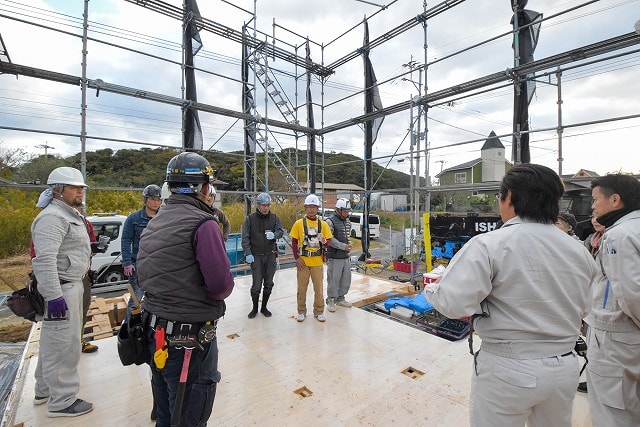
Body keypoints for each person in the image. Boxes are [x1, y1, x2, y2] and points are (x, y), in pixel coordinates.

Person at [424, 164, 598, 427]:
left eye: (500, 196)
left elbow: (451, 303)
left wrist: (432, 288)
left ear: (510, 198)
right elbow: (588, 306)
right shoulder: (578, 250)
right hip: (564, 366)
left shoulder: (490, 244)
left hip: (509, 368)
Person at [137, 152, 234, 427]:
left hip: (156, 334)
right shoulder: (203, 223)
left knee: (167, 412)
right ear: (203, 188)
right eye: (210, 185)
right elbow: (220, 286)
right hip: (190, 340)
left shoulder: (156, 221)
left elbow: (145, 275)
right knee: (189, 415)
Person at [31, 167, 94, 418]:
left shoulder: (68, 214)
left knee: (51, 342)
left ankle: (44, 390)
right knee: (64, 344)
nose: (80, 192)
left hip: (69, 284)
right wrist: (53, 295)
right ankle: (62, 400)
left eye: (81, 188)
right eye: (74, 187)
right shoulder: (53, 217)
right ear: (58, 190)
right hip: (62, 287)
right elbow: (44, 260)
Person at [586, 174, 640, 426]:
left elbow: (630, 292)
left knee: (613, 409)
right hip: (629, 336)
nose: (593, 206)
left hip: (617, 336)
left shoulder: (619, 235)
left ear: (615, 199)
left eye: (596, 199)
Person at [290, 194, 333, 322]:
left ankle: (319, 311)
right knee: (301, 289)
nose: (311, 209)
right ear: (305, 208)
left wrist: (323, 240)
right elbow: (294, 241)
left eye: (314, 207)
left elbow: (329, 242)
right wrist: (297, 258)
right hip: (303, 261)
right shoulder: (299, 224)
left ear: (317, 208)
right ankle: (301, 311)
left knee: (318, 289)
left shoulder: (323, 225)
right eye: (309, 207)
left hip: (317, 261)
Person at [121, 184, 162, 321]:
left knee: (158, 301)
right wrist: (127, 263)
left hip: (158, 266)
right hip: (138, 267)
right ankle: (129, 329)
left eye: (159, 200)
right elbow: (126, 240)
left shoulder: (163, 218)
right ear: (145, 200)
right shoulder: (133, 219)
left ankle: (151, 328)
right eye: (153, 199)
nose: (156, 203)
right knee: (136, 301)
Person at [241, 192, 284, 318]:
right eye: (263, 205)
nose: (266, 207)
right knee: (257, 285)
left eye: (268, 205)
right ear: (258, 205)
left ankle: (264, 307)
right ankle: (254, 308)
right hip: (256, 256)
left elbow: (280, 231)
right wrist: (248, 253)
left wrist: (275, 235)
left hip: (270, 255)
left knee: (269, 283)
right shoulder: (250, 219)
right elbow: (245, 238)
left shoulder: (274, 218)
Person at [325, 198, 353, 312]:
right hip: (334, 256)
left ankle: (341, 298)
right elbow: (329, 239)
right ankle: (331, 300)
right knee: (333, 280)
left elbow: (347, 235)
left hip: (345, 256)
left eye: (348, 211)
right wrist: (343, 246)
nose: (346, 213)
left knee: (346, 279)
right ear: (338, 210)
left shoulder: (347, 221)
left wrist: (349, 243)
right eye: (345, 211)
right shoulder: (330, 221)